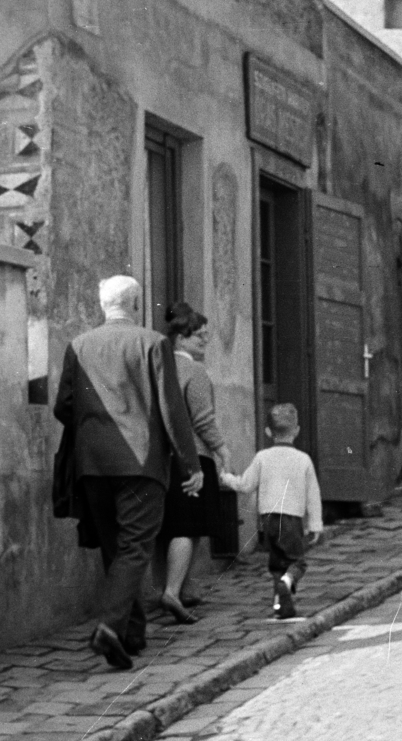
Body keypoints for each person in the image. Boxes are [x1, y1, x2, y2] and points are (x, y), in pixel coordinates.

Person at [54, 276, 202, 671]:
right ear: (135, 304)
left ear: (104, 305)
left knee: (115, 549)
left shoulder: (79, 346)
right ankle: (110, 627)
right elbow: (172, 410)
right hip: (141, 464)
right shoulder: (151, 343)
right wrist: (191, 463)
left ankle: (133, 633)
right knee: (136, 546)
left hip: (93, 465)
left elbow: (63, 407)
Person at [154, 303, 230, 625]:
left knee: (172, 526)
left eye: (205, 335)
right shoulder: (195, 372)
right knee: (189, 527)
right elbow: (203, 420)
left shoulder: (159, 369)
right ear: (180, 339)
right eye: (197, 335)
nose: (204, 340)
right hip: (194, 456)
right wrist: (223, 450)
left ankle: (180, 588)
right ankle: (172, 591)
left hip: (164, 460)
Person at [221, 403, 323, 620]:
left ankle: (282, 606)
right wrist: (315, 525)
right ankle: (287, 583)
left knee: (277, 563)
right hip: (292, 519)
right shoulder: (303, 459)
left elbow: (246, 485)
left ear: (268, 432)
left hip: (267, 519)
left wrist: (226, 478)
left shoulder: (262, 457)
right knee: (297, 562)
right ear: (297, 430)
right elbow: (313, 495)